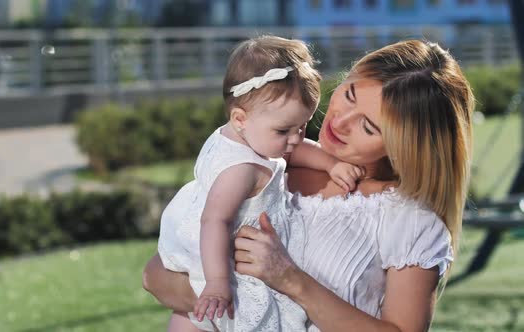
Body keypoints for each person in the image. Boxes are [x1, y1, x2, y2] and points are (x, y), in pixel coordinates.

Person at [145, 39, 474, 332]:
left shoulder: (410, 222)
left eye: (369, 127)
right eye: (349, 95)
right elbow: (156, 277)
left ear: (405, 147)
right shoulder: (270, 164)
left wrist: (290, 280)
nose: (339, 122)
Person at [157, 36, 363, 331]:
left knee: (191, 318)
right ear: (240, 118)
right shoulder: (240, 169)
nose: (296, 138)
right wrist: (217, 284)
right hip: (224, 262)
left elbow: (297, 149)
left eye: (303, 125)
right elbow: (214, 220)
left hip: (216, 252)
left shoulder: (245, 135)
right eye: (284, 130)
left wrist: (331, 164)